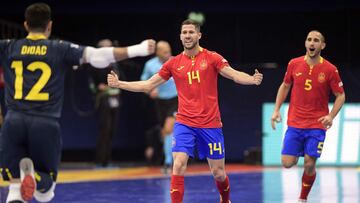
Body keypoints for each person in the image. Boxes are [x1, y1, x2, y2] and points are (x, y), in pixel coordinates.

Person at [0, 3, 155, 203]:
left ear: (25, 24)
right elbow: (99, 57)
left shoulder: (9, 46)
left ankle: (21, 180)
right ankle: (36, 178)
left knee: (13, 186)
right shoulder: (59, 48)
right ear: (49, 26)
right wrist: (138, 49)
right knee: (45, 194)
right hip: (44, 123)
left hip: (13, 121)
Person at [108, 19, 263, 203]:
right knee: (179, 165)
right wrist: (119, 84)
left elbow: (234, 74)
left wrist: (252, 79)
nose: (188, 36)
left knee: (218, 173)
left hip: (210, 124)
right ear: (180, 37)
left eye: (191, 32)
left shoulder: (212, 57)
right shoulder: (173, 63)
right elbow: (148, 85)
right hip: (184, 122)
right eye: (184, 33)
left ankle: (225, 199)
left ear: (199, 35)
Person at [270, 30, 345, 203]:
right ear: (305, 43)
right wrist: (276, 110)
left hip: (317, 124)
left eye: (316, 40)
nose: (312, 43)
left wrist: (331, 116)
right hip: (295, 122)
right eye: (309, 40)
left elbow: (341, 95)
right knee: (287, 163)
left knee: (310, 164)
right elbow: (285, 86)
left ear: (322, 45)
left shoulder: (330, 69)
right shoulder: (294, 64)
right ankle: (299, 153)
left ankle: (302, 198)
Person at [141, 40, 177, 173]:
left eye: (168, 49)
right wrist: (150, 90)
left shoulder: (176, 61)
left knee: (168, 129)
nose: (167, 52)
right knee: (165, 132)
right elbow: (144, 83)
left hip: (175, 100)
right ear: (157, 52)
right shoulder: (150, 65)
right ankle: (169, 158)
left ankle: (168, 163)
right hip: (160, 103)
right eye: (164, 51)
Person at [87, 39, 122, 167]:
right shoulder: (96, 63)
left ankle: (107, 159)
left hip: (115, 98)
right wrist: (98, 87)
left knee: (112, 130)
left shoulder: (115, 63)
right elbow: (91, 83)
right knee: (105, 130)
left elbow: (121, 78)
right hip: (104, 99)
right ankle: (100, 160)